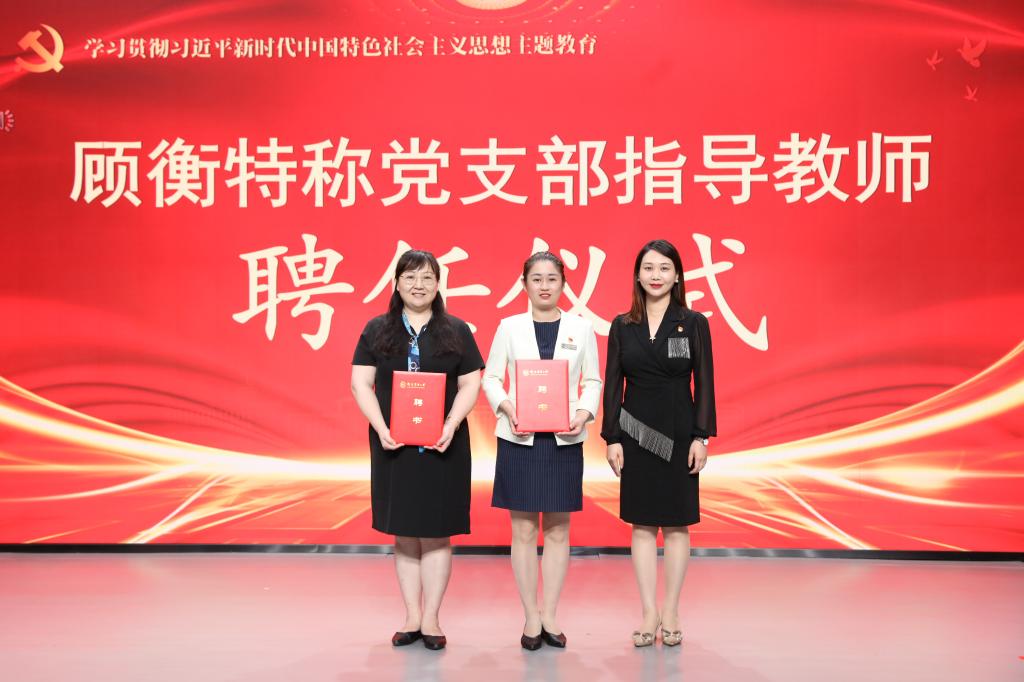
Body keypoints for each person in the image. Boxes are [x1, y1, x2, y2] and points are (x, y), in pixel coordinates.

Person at [350, 249, 484, 651]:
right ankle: (411, 615)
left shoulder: (456, 330)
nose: (418, 285)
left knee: (438, 533)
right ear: (396, 283)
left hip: (444, 444)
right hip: (393, 445)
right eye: (409, 277)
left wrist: (451, 424)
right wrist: (381, 427)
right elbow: (360, 383)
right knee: (405, 532)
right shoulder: (377, 329)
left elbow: (471, 383)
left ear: (438, 284)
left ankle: (432, 618)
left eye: (427, 278)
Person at [482, 251, 602, 650]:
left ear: (563, 284)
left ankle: (550, 613)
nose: (545, 286)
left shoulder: (581, 328)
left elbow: (593, 381)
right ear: (524, 285)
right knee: (522, 530)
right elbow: (492, 378)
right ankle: (530, 615)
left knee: (558, 529)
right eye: (537, 279)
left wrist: (583, 413)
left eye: (552, 278)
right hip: (519, 437)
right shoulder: (509, 327)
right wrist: (507, 406)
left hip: (564, 439)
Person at [601, 239, 717, 648]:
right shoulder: (622, 325)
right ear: (637, 275)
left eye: (664, 268)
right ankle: (649, 612)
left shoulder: (693, 322)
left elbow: (704, 382)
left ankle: (671, 610)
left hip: (680, 433)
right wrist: (612, 437)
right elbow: (613, 385)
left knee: (677, 524)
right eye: (648, 268)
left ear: (677, 275)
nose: (656, 276)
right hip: (635, 434)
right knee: (642, 524)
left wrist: (701, 436)